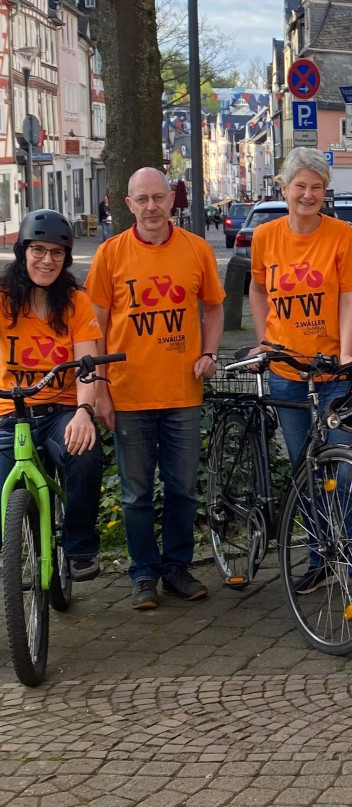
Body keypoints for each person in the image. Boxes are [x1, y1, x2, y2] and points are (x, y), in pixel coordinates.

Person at [86, 168, 225, 610]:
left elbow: (215, 308)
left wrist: (209, 351)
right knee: (136, 493)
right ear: (128, 204)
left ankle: (177, 569)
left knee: (183, 489)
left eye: (158, 198)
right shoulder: (110, 255)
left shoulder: (197, 250)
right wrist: (101, 389)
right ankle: (143, 574)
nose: (151, 207)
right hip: (129, 395)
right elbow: (96, 329)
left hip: (183, 391)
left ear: (172, 201)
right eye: (142, 199)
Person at [248, 146, 352, 604]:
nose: (307, 194)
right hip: (286, 371)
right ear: (283, 189)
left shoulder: (341, 235)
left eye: (316, 187)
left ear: (326, 193)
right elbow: (259, 289)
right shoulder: (265, 237)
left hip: (333, 373)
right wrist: (264, 339)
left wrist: (345, 353)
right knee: (305, 469)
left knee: (346, 470)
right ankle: (320, 560)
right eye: (299, 186)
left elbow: (349, 297)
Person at [0, 210, 103, 582]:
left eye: (56, 252)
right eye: (38, 250)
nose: (47, 260)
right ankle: (12, 556)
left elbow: (87, 365)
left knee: (86, 454)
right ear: (23, 251)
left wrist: (83, 411)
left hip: (60, 410)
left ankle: (79, 548)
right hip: (8, 412)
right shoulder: (2, 297)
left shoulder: (75, 301)